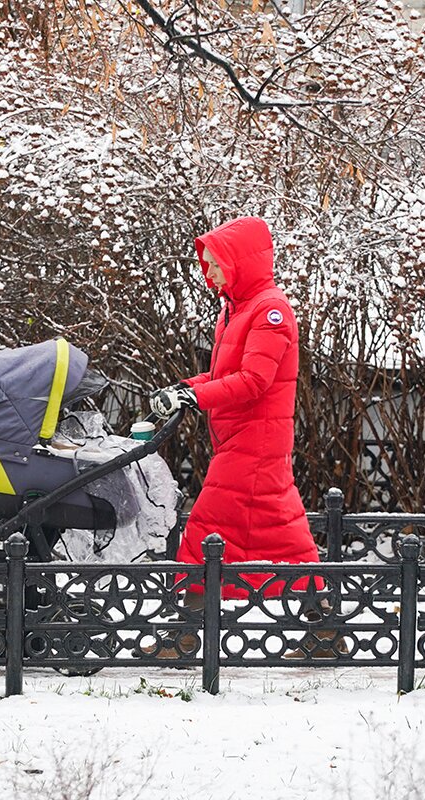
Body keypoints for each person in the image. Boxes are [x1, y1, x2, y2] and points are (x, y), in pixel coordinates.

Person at [145, 216, 341, 660]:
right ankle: (326, 630)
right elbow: (223, 376)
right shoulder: (239, 310)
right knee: (286, 537)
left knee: (203, 532)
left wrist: (195, 398)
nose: (208, 274)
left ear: (239, 263)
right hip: (244, 442)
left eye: (214, 265)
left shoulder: (270, 312)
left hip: (254, 444)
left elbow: (253, 381)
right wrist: (185, 389)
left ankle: (185, 636)